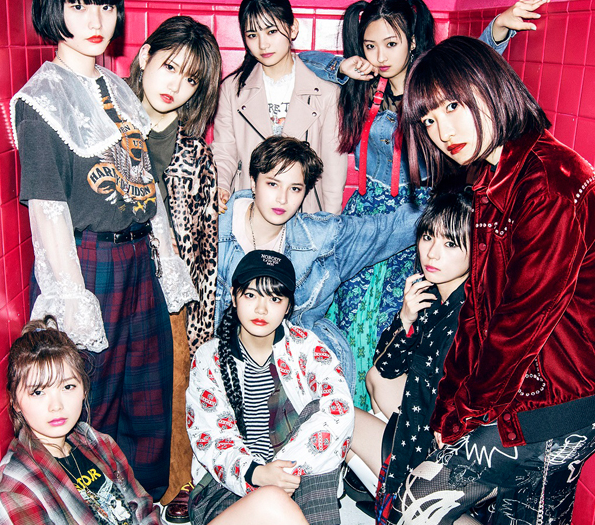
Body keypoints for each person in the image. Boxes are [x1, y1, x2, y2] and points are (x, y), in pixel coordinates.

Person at [386, 35, 595, 524]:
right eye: (428, 120)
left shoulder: (551, 182)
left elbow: (518, 322)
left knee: (420, 499)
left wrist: (462, 415)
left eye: (453, 106)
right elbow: (479, 307)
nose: (442, 131)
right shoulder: (491, 179)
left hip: (566, 394)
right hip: (530, 385)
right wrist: (449, 405)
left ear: (489, 86)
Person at [299, 0, 547, 410]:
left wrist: (498, 30)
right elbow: (302, 60)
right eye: (370, 45)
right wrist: (344, 65)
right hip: (365, 214)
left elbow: (467, 72)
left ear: (412, 41)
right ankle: (341, 409)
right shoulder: (364, 87)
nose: (380, 56)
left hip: (414, 217)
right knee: (348, 312)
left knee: (392, 317)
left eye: (391, 44)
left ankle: (375, 413)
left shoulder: (429, 92)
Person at [10, 0, 195, 500]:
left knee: (148, 395)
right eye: (79, 6)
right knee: (95, 396)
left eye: (107, 7)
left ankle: (143, 502)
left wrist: (166, 261)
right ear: (53, 9)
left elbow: (146, 185)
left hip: (139, 260)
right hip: (90, 266)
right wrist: (74, 298)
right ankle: (96, 506)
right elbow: (48, 211)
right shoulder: (40, 99)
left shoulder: (118, 88)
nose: (97, 21)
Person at [216, 135, 424, 393]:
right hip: (227, 367)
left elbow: (387, 230)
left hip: (299, 370)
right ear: (253, 182)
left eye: (295, 188)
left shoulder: (321, 239)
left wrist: (453, 205)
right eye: (272, 184)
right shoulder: (213, 230)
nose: (282, 199)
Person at [125, 15, 223, 506]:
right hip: (118, 281)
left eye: (190, 80)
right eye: (169, 67)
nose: (175, 86)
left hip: (172, 295)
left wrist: (201, 323)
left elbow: (205, 249)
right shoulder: (108, 132)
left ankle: (176, 489)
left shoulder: (196, 155)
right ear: (145, 56)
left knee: (174, 393)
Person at [339, 180, 475, 524]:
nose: (432, 253)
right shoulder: (432, 295)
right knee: (372, 381)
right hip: (422, 423)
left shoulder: (468, 314)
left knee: (340, 419)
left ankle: (396, 497)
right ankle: (382, 484)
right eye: (428, 237)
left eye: (450, 243)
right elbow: (384, 367)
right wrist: (405, 318)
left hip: (444, 451)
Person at [186, 250, 352, 525]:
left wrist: (281, 471)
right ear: (233, 296)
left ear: (288, 306)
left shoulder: (305, 346)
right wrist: (258, 473)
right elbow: (211, 436)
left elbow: (340, 409)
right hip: (227, 483)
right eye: (251, 295)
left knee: (320, 410)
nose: (261, 309)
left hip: (296, 472)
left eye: (275, 298)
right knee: (271, 502)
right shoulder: (209, 357)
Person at [0, 317, 160, 525]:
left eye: (68, 387)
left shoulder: (98, 443)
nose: (56, 406)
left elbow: (143, 508)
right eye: (38, 392)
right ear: (16, 402)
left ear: (83, 389)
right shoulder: (18, 489)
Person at [212, 0, 348, 215]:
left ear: (293, 28)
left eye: (271, 31)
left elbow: (333, 170)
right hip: (249, 211)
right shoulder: (232, 90)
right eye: (252, 35)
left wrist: (330, 221)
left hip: (303, 213)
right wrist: (220, 186)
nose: (263, 44)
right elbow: (225, 150)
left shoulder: (326, 93)